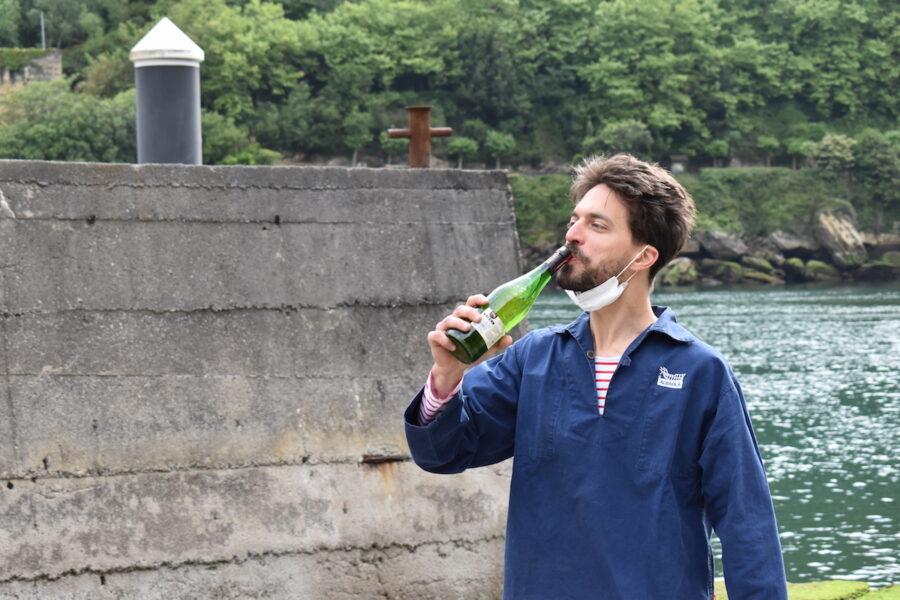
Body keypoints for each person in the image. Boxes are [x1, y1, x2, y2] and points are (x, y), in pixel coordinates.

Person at [403, 154, 788, 599]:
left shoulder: (699, 372)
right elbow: (442, 453)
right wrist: (447, 374)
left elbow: (747, 524)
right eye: (574, 220)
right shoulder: (533, 359)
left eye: (597, 225)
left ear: (644, 256)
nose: (572, 235)